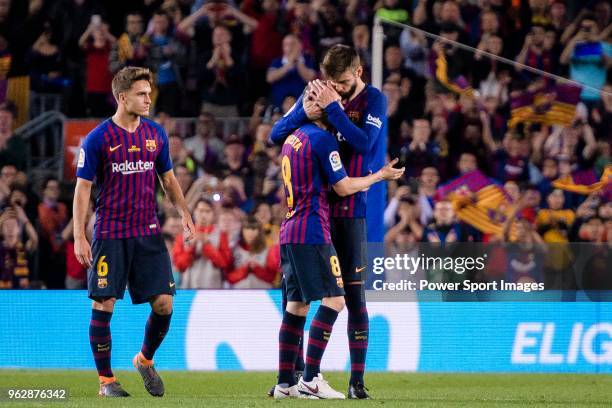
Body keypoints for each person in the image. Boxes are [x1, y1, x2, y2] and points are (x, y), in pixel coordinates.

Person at [269, 44, 387, 398]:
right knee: (302, 299)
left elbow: (364, 144)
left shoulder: (374, 101)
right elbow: (277, 134)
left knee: (353, 297)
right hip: (316, 214)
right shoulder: (318, 94)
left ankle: (356, 381)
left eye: (343, 82)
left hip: (349, 212)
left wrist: (332, 109)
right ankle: (295, 378)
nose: (336, 88)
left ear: (359, 73)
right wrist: (301, 113)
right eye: (331, 83)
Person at [73, 66, 195, 398]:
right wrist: (79, 236)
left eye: (149, 92)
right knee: (104, 304)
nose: (148, 98)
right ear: (122, 97)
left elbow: (168, 180)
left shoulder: (156, 134)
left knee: (165, 305)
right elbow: (83, 189)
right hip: (110, 234)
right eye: (141, 93)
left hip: (148, 233)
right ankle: (106, 381)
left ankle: (145, 359)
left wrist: (184, 213)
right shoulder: (97, 138)